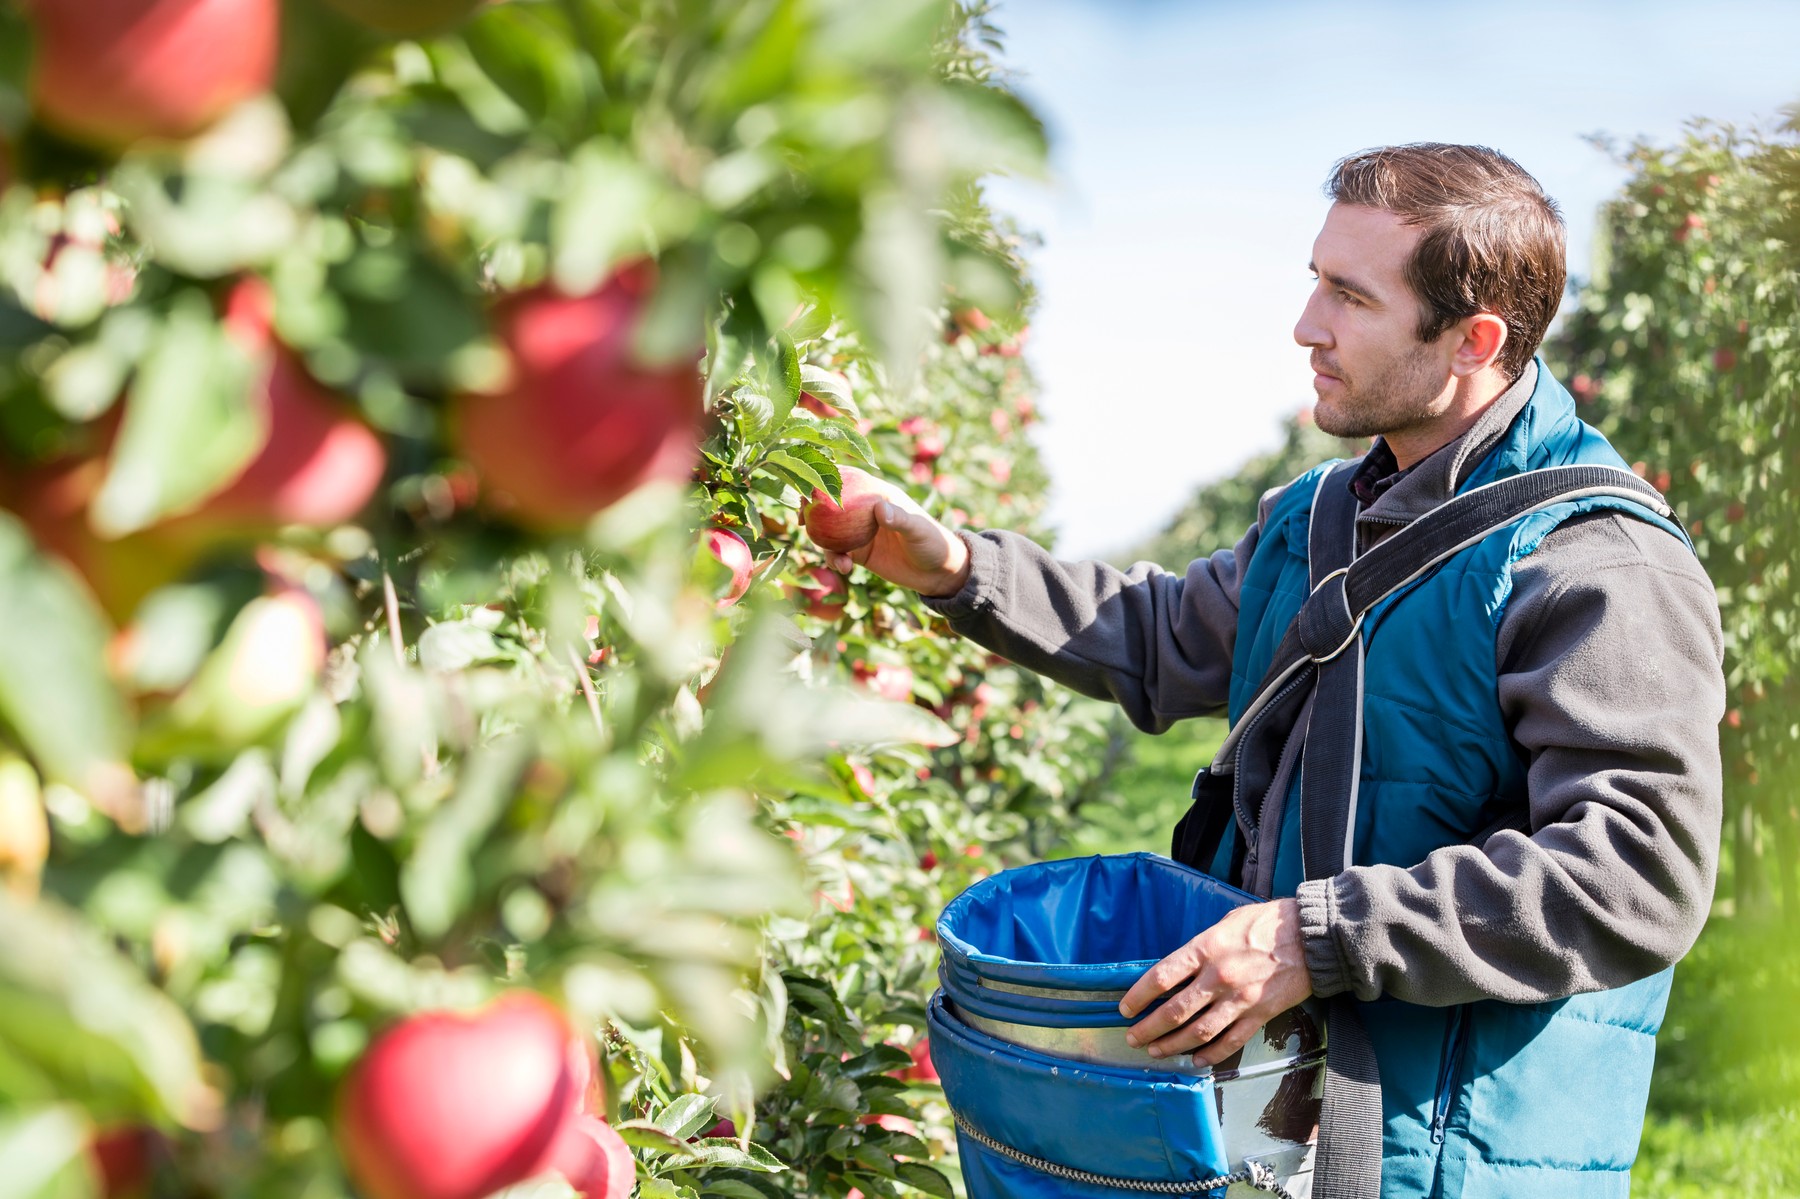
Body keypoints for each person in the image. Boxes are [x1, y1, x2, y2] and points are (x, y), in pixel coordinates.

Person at [810, 143, 1726, 1198]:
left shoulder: (1596, 561)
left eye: (1350, 296)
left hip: (1450, 1152)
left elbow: (1634, 870)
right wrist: (959, 566)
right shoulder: (1317, 521)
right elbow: (1161, 636)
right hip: (1288, 1122)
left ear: (1472, 339)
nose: (1307, 325)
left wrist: (1311, 934)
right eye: (1314, 280)